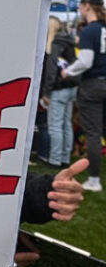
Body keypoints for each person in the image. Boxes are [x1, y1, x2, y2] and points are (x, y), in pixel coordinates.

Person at [62, 0, 106, 192]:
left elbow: (86, 61)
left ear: (87, 6)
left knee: (93, 133)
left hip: (92, 86)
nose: (79, 10)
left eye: (80, 6)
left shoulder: (90, 31)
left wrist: (67, 71)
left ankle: (94, 180)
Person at [41, 16, 78, 167]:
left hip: (58, 88)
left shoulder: (54, 44)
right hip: (71, 87)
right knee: (66, 124)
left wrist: (46, 92)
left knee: (55, 125)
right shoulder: (68, 41)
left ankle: (55, 159)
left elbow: (51, 70)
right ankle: (65, 158)